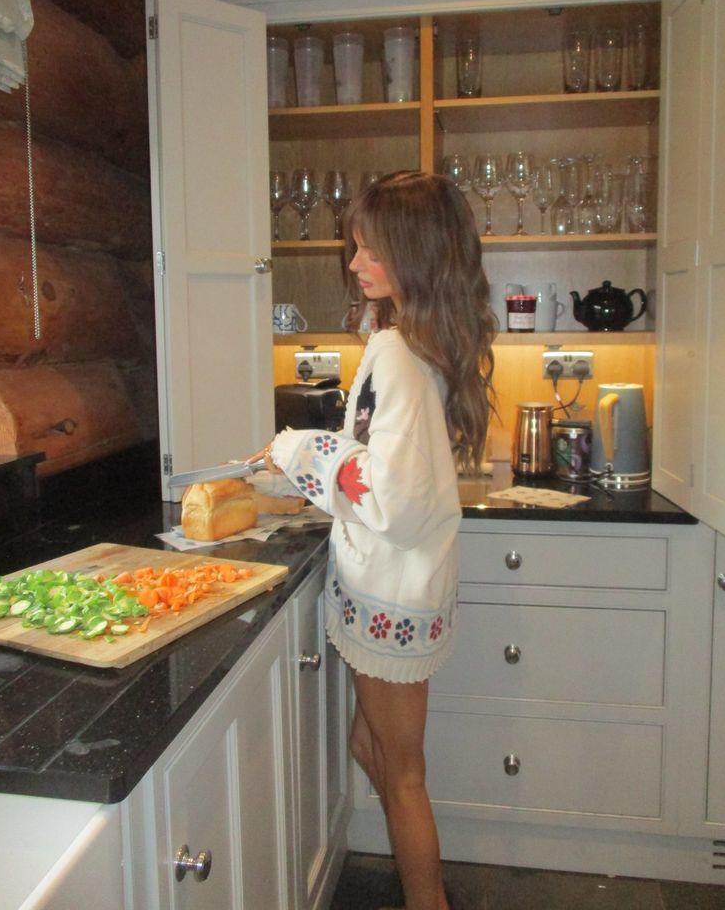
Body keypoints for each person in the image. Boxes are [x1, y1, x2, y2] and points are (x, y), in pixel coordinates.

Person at [255, 171, 496, 910]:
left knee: (403, 776)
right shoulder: (422, 342)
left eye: (371, 250)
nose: (354, 263)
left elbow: (387, 495)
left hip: (390, 591)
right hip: (403, 590)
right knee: (372, 748)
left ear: (415, 256)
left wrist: (298, 450)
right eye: (355, 247)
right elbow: (382, 462)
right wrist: (306, 464)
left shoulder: (396, 350)